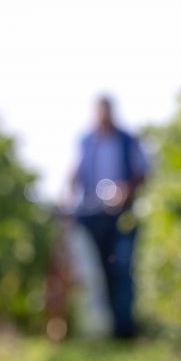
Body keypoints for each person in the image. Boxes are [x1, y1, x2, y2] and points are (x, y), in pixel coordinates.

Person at [71, 96, 148, 339]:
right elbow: (76, 172)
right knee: (99, 272)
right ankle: (103, 328)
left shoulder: (128, 141)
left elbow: (143, 172)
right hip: (93, 216)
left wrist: (126, 190)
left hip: (122, 216)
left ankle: (124, 330)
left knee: (122, 269)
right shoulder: (85, 142)